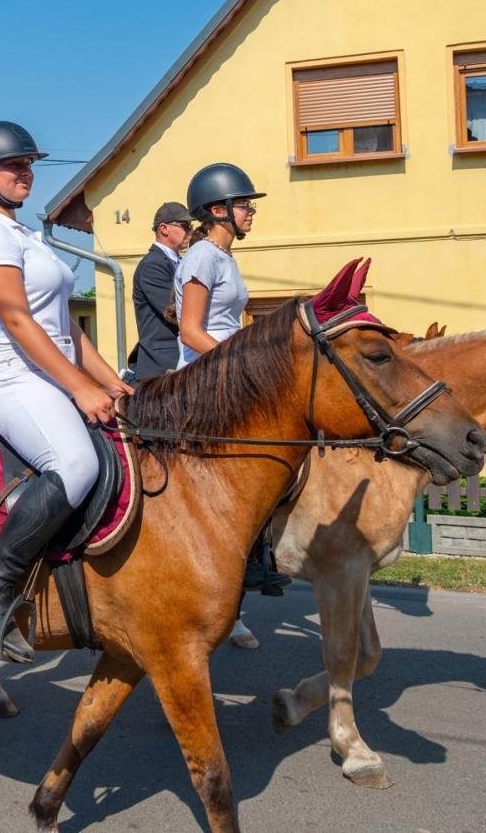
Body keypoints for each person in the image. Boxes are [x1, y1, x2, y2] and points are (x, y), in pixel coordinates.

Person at [0, 120, 133, 663]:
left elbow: (66, 328)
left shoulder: (26, 236)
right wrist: (80, 388)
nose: (26, 173)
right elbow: (18, 321)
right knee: (76, 465)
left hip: (48, 372)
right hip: (13, 376)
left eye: (30, 165)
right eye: (15, 165)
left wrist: (111, 382)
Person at [173, 162, 289, 648]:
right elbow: (190, 331)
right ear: (217, 210)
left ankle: (248, 579)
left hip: (228, 374)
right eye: (244, 205)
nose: (251, 212)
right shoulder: (202, 256)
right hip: (207, 379)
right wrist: (243, 364)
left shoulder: (224, 256)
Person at [129, 201, 190, 382]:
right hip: (161, 366)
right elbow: (174, 311)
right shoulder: (153, 265)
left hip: (179, 360)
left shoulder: (180, 262)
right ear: (164, 229)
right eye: (185, 226)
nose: (190, 231)